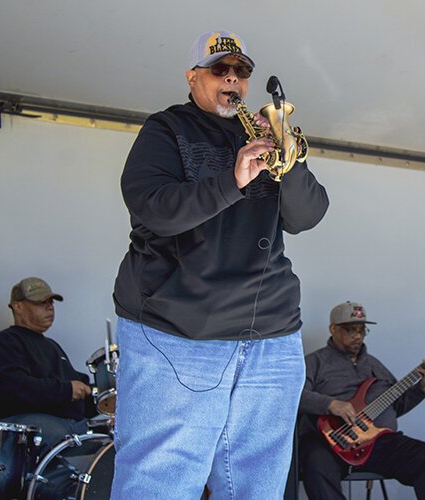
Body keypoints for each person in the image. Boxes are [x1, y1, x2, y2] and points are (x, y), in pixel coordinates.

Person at [110, 30, 328, 499]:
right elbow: (154, 207)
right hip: (180, 330)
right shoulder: (166, 130)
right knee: (160, 478)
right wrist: (233, 180)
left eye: (241, 72)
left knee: (258, 484)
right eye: (219, 70)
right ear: (193, 78)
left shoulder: (267, 135)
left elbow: (307, 217)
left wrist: (289, 164)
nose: (232, 79)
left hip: (270, 333)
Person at [298, 301, 425, 499]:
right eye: (350, 330)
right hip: (331, 444)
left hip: (378, 443)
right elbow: (295, 396)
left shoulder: (375, 366)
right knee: (315, 462)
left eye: (362, 330)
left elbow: (398, 406)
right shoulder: (314, 362)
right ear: (333, 329)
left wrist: (423, 387)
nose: (357, 336)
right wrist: (330, 404)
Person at [0, 277, 93, 450]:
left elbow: (77, 387)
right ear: (18, 306)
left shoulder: (52, 346)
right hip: (24, 427)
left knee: (107, 435)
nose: (49, 307)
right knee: (57, 433)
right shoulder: (4, 342)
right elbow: (13, 388)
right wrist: (67, 390)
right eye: (41, 302)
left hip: (60, 425)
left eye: (51, 302)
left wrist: (105, 397)